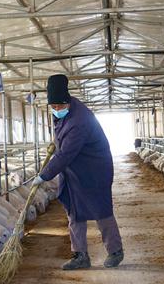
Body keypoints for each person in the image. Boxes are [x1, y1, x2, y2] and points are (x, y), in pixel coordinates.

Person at [32, 74, 124, 270]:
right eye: (53, 107)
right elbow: (61, 136)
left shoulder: (80, 120)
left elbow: (66, 153)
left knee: (101, 210)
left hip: (94, 171)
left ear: (67, 100)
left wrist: (44, 175)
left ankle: (115, 251)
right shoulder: (65, 111)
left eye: (59, 106)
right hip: (74, 171)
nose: (56, 110)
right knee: (73, 212)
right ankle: (80, 255)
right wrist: (56, 142)